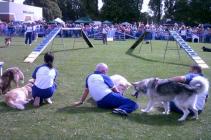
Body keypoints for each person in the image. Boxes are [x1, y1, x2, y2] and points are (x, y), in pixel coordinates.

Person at [73, 63, 138, 116]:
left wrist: (81, 101)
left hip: (99, 104)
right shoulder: (104, 76)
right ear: (104, 71)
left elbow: (86, 90)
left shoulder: (89, 76)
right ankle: (120, 110)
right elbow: (115, 90)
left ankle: (118, 108)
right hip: (108, 97)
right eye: (106, 71)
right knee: (133, 104)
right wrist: (121, 97)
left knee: (119, 102)